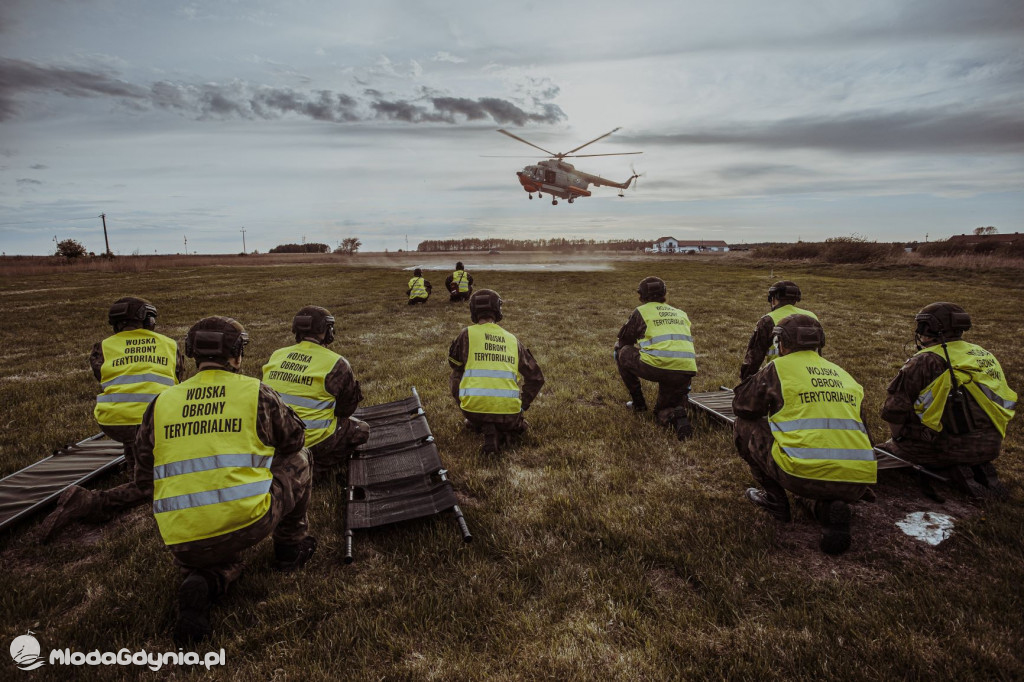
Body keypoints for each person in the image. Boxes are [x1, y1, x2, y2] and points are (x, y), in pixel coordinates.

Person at [134, 316, 315, 645]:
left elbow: (145, 474)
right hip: (248, 521)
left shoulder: (160, 403)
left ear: (192, 354)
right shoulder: (255, 393)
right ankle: (291, 547)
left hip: (180, 535)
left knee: (214, 555)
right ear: (237, 354)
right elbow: (294, 440)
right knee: (301, 461)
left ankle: (204, 580)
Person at [40, 297, 186, 541]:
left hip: (113, 420)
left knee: (136, 438)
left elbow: (102, 376)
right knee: (153, 484)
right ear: (148, 320)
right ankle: (90, 503)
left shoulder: (103, 347)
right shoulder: (169, 344)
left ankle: (134, 465)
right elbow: (178, 379)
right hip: (154, 420)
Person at [732, 314, 876, 555]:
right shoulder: (844, 375)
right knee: (823, 484)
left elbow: (743, 406)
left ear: (781, 343)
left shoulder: (778, 368)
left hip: (800, 473)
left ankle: (774, 500)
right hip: (858, 481)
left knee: (743, 425)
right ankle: (823, 508)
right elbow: (865, 432)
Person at [879, 302, 1016, 498]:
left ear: (930, 328)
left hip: (939, 448)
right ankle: (973, 465)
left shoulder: (925, 360)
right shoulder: (983, 355)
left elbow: (894, 412)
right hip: (991, 444)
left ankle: (948, 468)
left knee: (882, 453)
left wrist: (899, 440)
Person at [262, 306, 369, 479]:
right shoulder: (337, 363)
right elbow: (346, 410)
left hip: (279, 441)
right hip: (313, 442)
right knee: (361, 429)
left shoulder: (277, 355)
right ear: (327, 332)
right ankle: (316, 467)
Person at [448, 289, 544, 454]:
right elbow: (536, 378)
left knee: (457, 374)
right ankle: (511, 425)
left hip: (473, 411)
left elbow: (454, 363)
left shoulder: (466, 334)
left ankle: (483, 424)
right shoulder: (513, 340)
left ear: (473, 310)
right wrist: (522, 407)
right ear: (498, 310)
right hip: (510, 413)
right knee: (510, 417)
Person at [614, 276, 697, 439]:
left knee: (621, 352)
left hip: (656, 366)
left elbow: (624, 342)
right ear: (664, 293)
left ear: (641, 296)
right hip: (684, 371)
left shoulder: (641, 312)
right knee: (662, 411)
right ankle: (676, 417)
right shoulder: (681, 313)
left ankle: (638, 404)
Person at [739, 280, 819, 382]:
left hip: (778, 378)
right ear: (796, 299)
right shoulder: (812, 316)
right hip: (810, 375)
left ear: (773, 299)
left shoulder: (768, 320)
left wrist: (745, 383)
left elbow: (754, 359)